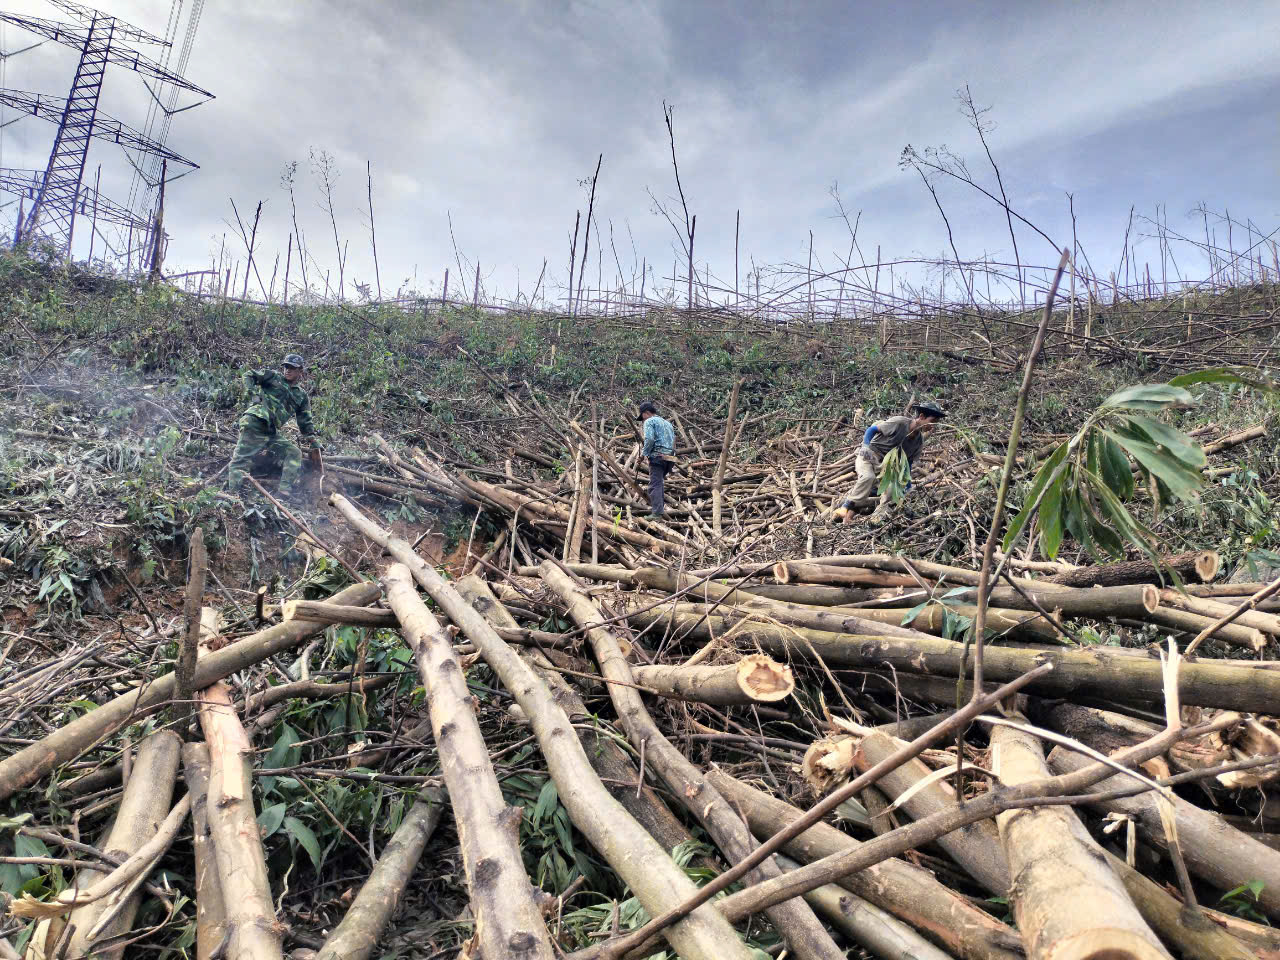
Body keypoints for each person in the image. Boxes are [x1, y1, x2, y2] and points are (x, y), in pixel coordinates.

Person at [833, 401, 945, 525]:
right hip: (870, 455)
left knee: (889, 491)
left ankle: (874, 520)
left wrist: (907, 485)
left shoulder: (918, 442)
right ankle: (845, 506)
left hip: (886, 466)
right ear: (922, 417)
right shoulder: (900, 422)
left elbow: (907, 464)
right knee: (867, 477)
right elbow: (872, 430)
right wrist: (865, 446)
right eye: (932, 421)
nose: (933, 426)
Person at [227, 353, 319, 499]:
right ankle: (233, 497)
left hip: (270, 431)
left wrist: (313, 441)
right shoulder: (273, 376)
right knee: (241, 460)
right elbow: (248, 375)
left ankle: (283, 492)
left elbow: (305, 420)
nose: (287, 370)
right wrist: (253, 394)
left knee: (294, 453)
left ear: (300, 371)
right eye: (286, 367)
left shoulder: (301, 395)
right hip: (255, 422)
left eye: (292, 368)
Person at [638, 400, 675, 517]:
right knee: (659, 483)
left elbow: (649, 439)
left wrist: (644, 454)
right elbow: (674, 441)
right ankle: (659, 510)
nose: (643, 420)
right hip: (669, 458)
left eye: (642, 417)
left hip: (658, 457)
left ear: (647, 413)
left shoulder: (649, 421)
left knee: (655, 484)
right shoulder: (668, 423)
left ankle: (657, 513)